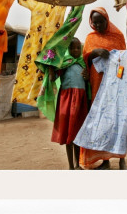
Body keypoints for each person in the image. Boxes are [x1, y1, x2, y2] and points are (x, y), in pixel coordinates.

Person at [78, 7, 127, 170]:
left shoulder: (118, 36)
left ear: (107, 20)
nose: (97, 25)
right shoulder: (90, 38)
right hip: (97, 85)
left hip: (114, 86)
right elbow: (85, 60)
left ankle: (121, 159)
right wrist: (94, 53)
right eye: (95, 22)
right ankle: (105, 160)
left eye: (101, 21)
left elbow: (124, 61)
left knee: (117, 122)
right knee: (101, 123)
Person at [48, 38, 89, 170]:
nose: (75, 50)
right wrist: (50, 65)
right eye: (72, 48)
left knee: (77, 133)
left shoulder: (83, 64)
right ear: (67, 49)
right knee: (68, 134)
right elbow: (52, 78)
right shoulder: (64, 64)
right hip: (67, 100)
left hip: (81, 101)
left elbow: (89, 81)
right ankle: (71, 166)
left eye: (78, 48)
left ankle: (78, 164)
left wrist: (87, 76)